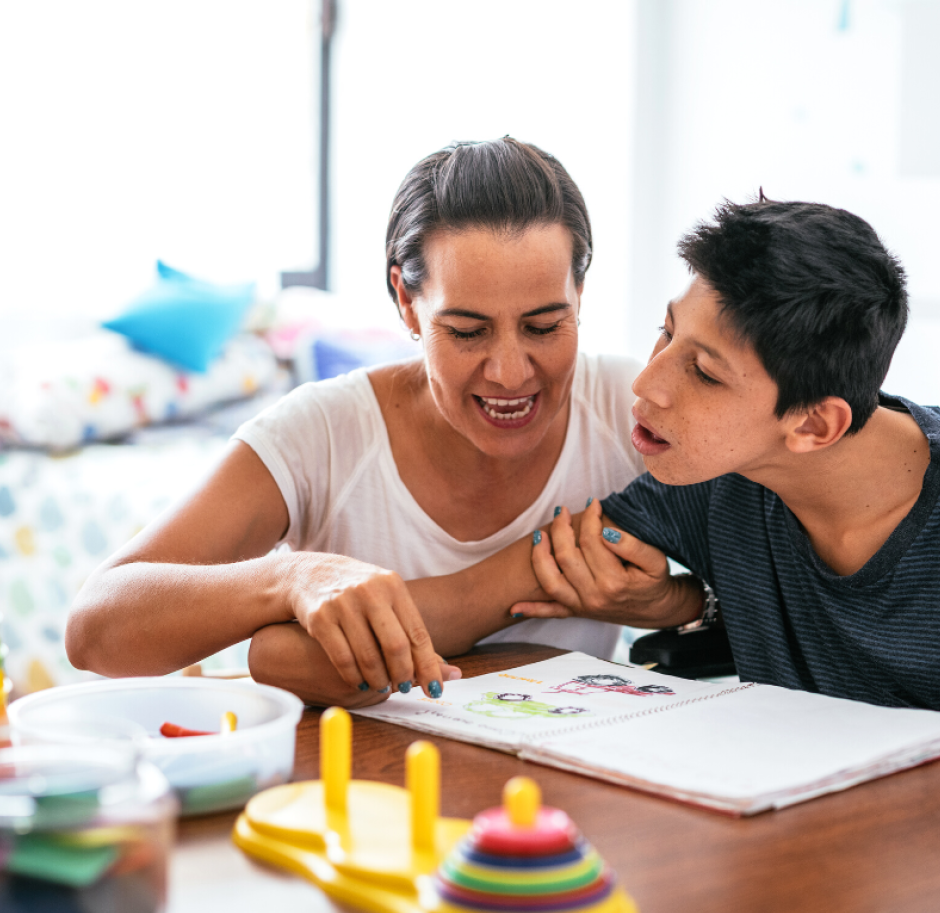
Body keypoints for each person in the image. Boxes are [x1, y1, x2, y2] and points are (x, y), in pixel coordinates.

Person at [65, 137, 647, 706]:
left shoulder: (632, 407)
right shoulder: (322, 434)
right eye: (467, 332)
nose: (510, 372)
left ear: (579, 292)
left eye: (544, 326)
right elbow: (95, 630)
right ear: (406, 301)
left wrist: (681, 602)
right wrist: (293, 579)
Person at [506, 196, 940, 710]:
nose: (647, 382)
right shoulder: (726, 474)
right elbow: (487, 589)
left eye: (706, 373)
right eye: (667, 332)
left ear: (814, 424)